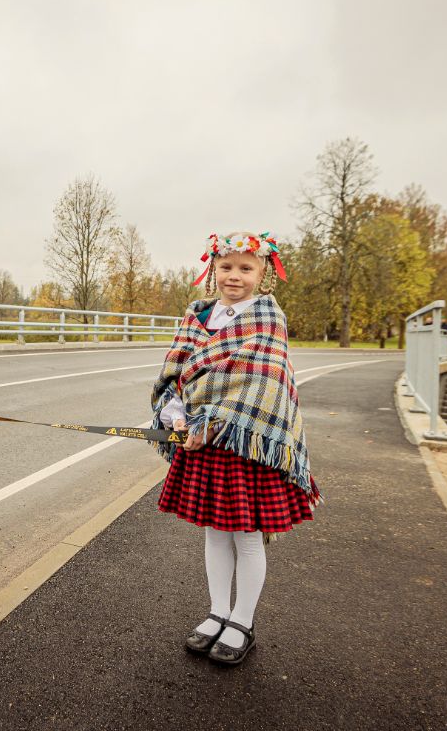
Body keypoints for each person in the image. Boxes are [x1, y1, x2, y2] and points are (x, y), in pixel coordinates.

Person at [150, 231, 319, 667]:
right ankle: (217, 613)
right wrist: (177, 414)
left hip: (244, 445)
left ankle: (242, 621)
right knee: (214, 533)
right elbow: (179, 373)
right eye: (226, 267)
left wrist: (216, 423)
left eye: (246, 268)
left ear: (264, 275)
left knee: (246, 537)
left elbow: (263, 385)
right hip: (199, 442)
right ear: (213, 270)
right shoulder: (196, 316)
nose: (235, 276)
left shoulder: (267, 320)